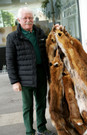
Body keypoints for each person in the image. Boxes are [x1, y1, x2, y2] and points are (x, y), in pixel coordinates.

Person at [6, 7, 56, 135]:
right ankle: (29, 131)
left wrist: (56, 32)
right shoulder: (13, 37)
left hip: (41, 73)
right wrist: (15, 81)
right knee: (28, 107)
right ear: (18, 20)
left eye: (30, 18)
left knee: (41, 103)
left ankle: (42, 128)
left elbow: (49, 48)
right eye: (25, 18)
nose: (28, 20)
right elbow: (10, 61)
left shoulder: (39, 32)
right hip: (25, 76)